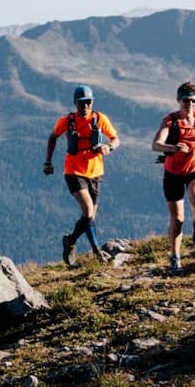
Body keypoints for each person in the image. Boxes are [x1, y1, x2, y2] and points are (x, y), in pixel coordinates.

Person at [43, 84, 120, 265]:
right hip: (74, 171)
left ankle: (70, 241)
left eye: (87, 102)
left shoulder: (100, 119)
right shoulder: (67, 121)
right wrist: (48, 162)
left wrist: (110, 147)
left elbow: (115, 138)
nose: (84, 106)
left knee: (90, 217)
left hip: (96, 172)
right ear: (75, 103)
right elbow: (53, 136)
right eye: (81, 103)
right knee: (87, 210)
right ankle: (97, 252)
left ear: (92, 102)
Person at [151, 80, 195, 272]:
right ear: (179, 101)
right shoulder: (170, 121)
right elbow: (155, 145)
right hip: (173, 172)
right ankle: (175, 257)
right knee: (177, 219)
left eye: (194, 101)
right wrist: (172, 148)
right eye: (187, 101)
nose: (190, 105)